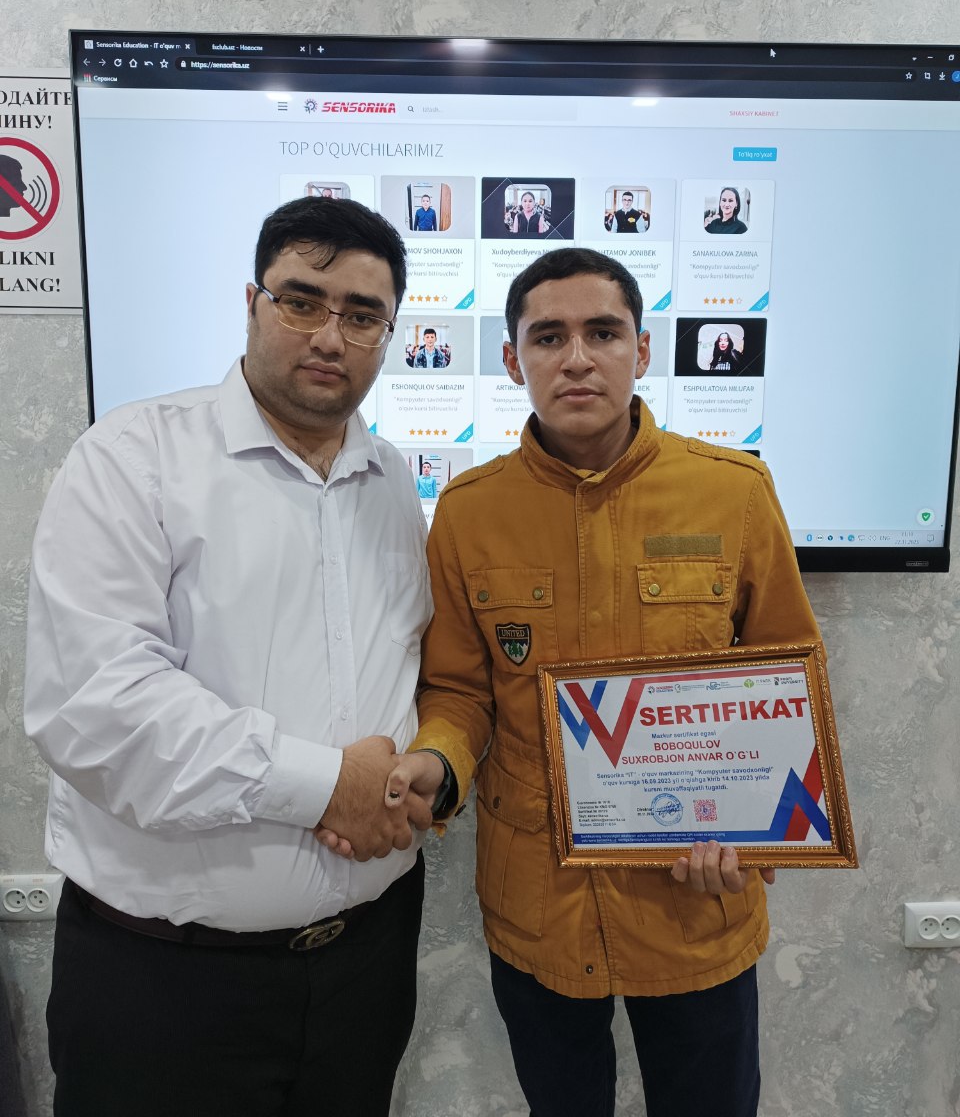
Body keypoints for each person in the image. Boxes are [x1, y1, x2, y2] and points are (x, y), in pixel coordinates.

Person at [381, 247, 821, 1117]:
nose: (576, 358)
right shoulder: (468, 511)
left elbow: (787, 681)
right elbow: (460, 691)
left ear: (642, 350)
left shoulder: (733, 492)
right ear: (513, 361)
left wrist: (756, 833)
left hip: (696, 895)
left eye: (603, 333)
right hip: (538, 901)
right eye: (548, 337)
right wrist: (436, 759)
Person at [23, 196, 436, 1117]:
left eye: (362, 315)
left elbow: (407, 670)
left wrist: (420, 768)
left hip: (366, 969)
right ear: (252, 303)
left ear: (388, 335)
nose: (329, 335)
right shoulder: (133, 458)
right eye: (302, 300)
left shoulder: (393, 482)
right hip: (164, 985)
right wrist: (327, 786)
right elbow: (97, 708)